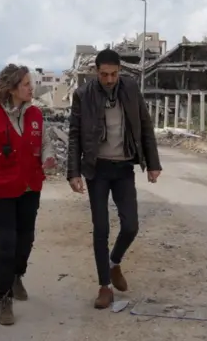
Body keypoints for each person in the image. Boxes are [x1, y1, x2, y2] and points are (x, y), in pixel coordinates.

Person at [66, 48, 162, 309]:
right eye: (104, 74)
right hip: (97, 170)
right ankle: (104, 286)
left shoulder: (130, 89)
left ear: (120, 71)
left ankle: (113, 263)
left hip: (123, 169)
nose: (109, 79)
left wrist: (153, 164)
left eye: (113, 74)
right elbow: (74, 134)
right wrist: (73, 172)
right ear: (96, 73)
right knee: (101, 229)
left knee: (131, 225)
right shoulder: (83, 95)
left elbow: (145, 126)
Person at [0, 64, 56, 326]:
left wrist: (48, 157)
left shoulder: (36, 116)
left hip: (29, 187)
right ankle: (4, 297)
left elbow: (46, 143)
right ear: (12, 88)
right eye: (27, 84)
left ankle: (18, 275)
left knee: (25, 239)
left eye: (31, 83)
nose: (32, 88)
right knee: (6, 242)